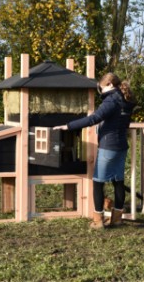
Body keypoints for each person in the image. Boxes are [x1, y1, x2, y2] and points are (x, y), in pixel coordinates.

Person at [53, 73, 136, 229]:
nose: (101, 92)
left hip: (108, 146)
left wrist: (68, 126)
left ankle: (98, 220)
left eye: (101, 88)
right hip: (121, 146)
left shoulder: (112, 100)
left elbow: (94, 118)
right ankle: (117, 218)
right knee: (118, 181)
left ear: (110, 85)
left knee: (98, 182)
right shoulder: (126, 100)